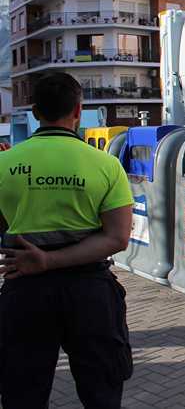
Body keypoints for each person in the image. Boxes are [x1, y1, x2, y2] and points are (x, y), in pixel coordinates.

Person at [0, 72, 134, 409]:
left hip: (24, 289)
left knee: (22, 393)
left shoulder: (4, 164)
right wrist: (53, 261)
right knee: (101, 392)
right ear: (78, 110)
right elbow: (117, 237)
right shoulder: (106, 165)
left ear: (34, 112)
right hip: (90, 292)